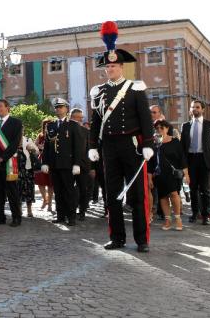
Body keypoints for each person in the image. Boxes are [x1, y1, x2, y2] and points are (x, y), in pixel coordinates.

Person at [88, 21, 154, 253]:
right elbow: (96, 120)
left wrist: (147, 142)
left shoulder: (134, 88)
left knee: (137, 195)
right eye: (108, 67)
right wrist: (93, 145)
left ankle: (141, 239)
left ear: (122, 67)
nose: (111, 69)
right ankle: (117, 237)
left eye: (114, 66)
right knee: (112, 195)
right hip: (109, 147)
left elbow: (146, 118)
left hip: (132, 145)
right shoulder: (100, 92)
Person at [42, 98, 82, 226]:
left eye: (61, 107)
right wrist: (45, 162)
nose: (58, 109)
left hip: (68, 164)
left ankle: (71, 217)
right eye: (56, 107)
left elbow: (78, 147)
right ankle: (60, 215)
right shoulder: (51, 125)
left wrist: (76, 163)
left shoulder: (73, 125)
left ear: (66, 109)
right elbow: (47, 146)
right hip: (54, 164)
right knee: (58, 191)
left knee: (69, 191)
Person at [0, 99, 24, 227]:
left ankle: (16, 218)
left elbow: (15, 144)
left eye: (0, 106)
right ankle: (0, 217)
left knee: (12, 191)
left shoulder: (16, 123)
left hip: (8, 163)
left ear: (7, 108)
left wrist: (3, 157)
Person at [180, 100, 210, 225]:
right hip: (191, 160)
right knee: (192, 188)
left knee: (205, 189)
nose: (195, 109)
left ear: (203, 109)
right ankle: (195, 213)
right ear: (190, 110)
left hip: (205, 160)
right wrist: (183, 165)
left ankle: (206, 215)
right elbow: (183, 147)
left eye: (197, 107)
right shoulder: (185, 126)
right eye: (192, 107)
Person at [154, 119, 189, 231]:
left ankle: (178, 218)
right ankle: (168, 220)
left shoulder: (175, 141)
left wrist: (186, 174)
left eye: (162, 128)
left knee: (174, 194)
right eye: (157, 128)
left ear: (167, 129)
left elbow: (182, 158)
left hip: (173, 174)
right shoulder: (155, 143)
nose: (159, 130)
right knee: (163, 197)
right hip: (159, 174)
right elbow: (151, 161)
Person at [70, 108, 92, 221]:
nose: (80, 119)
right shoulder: (67, 129)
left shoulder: (86, 131)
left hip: (83, 165)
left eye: (81, 117)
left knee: (83, 188)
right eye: (78, 117)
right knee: (69, 188)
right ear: (72, 117)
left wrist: (91, 167)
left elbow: (89, 149)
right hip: (69, 164)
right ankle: (71, 210)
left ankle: (82, 210)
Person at [35, 119, 54, 213]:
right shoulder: (40, 136)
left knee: (51, 183)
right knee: (40, 181)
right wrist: (38, 147)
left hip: (52, 160)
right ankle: (45, 199)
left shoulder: (55, 135)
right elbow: (34, 147)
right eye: (45, 125)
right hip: (41, 159)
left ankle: (50, 204)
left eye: (49, 125)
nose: (47, 126)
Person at [18, 134, 36, 218]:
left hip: (28, 169)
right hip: (18, 169)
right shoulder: (12, 139)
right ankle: (19, 209)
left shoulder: (28, 140)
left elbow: (36, 151)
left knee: (29, 189)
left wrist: (31, 149)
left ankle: (29, 210)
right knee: (18, 188)